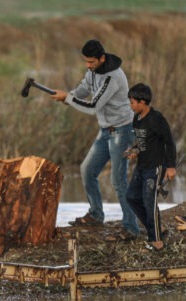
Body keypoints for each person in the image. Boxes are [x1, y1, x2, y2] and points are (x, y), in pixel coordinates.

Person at [50, 39, 140, 238]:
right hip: (106, 130)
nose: (88, 66)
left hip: (122, 131)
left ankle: (131, 228)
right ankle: (96, 214)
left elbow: (93, 107)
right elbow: (83, 89)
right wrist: (69, 96)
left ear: (102, 58)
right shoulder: (92, 72)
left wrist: (68, 99)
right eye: (85, 62)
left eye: (91, 62)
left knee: (118, 180)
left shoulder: (113, 78)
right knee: (87, 170)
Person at [125, 83, 177, 251]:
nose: (130, 106)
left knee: (149, 201)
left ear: (142, 102)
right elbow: (141, 142)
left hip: (155, 167)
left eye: (132, 102)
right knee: (131, 197)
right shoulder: (136, 118)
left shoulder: (157, 119)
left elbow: (169, 142)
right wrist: (134, 150)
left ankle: (156, 240)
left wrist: (171, 167)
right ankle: (155, 227)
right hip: (142, 166)